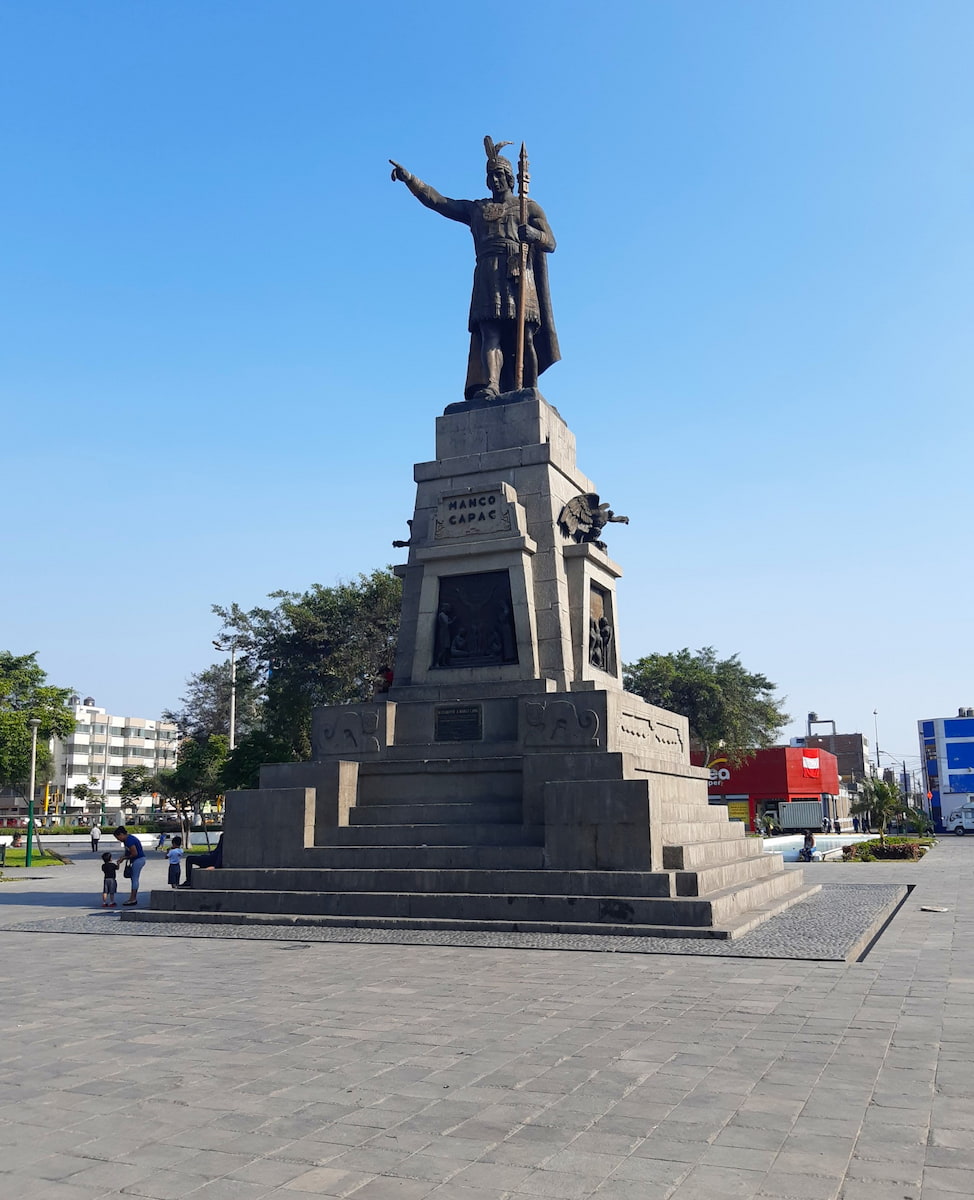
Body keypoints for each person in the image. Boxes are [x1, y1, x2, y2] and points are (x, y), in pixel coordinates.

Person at [390, 136, 560, 401]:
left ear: (511, 179)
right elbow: (439, 202)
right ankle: (491, 384)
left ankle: (529, 387)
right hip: (488, 275)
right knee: (489, 332)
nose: (495, 180)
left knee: (524, 337)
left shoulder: (528, 207)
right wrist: (411, 179)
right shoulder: (478, 209)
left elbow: (551, 242)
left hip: (519, 274)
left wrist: (535, 235)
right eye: (491, 175)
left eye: (501, 174)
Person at [113, 825, 146, 906]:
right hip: (137, 859)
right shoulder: (128, 839)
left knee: (134, 879)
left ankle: (133, 898)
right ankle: (132, 897)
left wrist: (124, 858)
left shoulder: (129, 840)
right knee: (133, 878)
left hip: (138, 859)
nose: (118, 840)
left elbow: (134, 853)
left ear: (121, 834)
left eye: (118, 837)